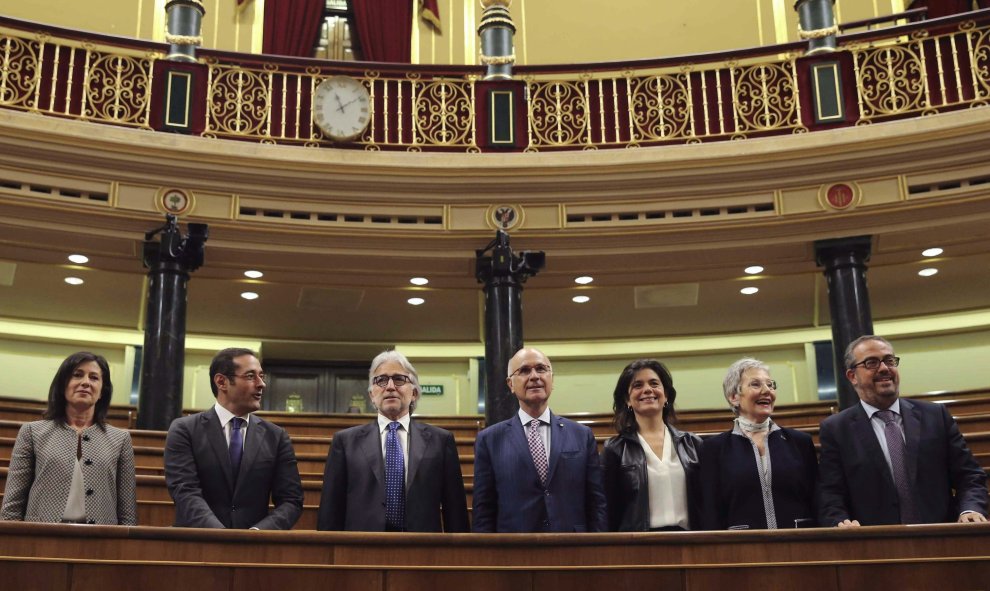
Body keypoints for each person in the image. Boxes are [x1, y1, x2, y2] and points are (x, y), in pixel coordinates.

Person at [817, 335, 988, 527]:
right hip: (875, 546)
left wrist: (970, 509)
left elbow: (969, 476)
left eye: (890, 360)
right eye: (871, 362)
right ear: (852, 376)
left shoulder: (935, 416)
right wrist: (840, 521)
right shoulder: (836, 429)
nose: (884, 368)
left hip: (941, 539)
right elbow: (831, 492)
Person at [316, 350, 469, 532]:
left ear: (414, 392)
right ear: (372, 395)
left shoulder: (441, 441)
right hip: (360, 551)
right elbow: (330, 512)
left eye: (399, 379)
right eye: (381, 380)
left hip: (422, 551)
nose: (390, 387)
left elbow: (456, 513)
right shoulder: (345, 442)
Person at [164, 348, 303, 529]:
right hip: (198, 545)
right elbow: (185, 492)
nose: (261, 384)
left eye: (262, 376)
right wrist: (223, 537)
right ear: (222, 382)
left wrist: (257, 533)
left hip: (255, 548)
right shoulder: (185, 430)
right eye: (251, 376)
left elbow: (291, 500)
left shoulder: (276, 436)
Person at [472, 347, 607, 532]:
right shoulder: (489, 440)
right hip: (514, 550)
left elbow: (596, 502)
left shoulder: (581, 435)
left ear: (552, 379)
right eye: (524, 370)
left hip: (573, 547)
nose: (534, 376)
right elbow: (483, 509)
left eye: (541, 369)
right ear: (510, 384)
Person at [1, 352, 136, 525]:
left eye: (94, 378)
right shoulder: (32, 433)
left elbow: (128, 511)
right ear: (63, 384)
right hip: (41, 537)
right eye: (77, 375)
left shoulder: (120, 439)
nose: (85, 382)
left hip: (101, 540)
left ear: (102, 391)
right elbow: (13, 504)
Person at [699, 358, 818, 530]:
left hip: (798, 545)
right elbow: (710, 512)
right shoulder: (713, 449)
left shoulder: (800, 442)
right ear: (734, 397)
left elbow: (817, 498)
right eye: (756, 384)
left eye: (770, 385)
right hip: (742, 549)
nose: (766, 391)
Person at [601, 359, 702, 531]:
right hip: (639, 546)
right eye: (638, 385)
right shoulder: (615, 449)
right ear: (627, 399)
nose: (647, 389)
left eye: (654, 383)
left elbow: (706, 503)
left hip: (690, 542)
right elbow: (608, 510)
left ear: (666, 395)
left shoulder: (693, 444)